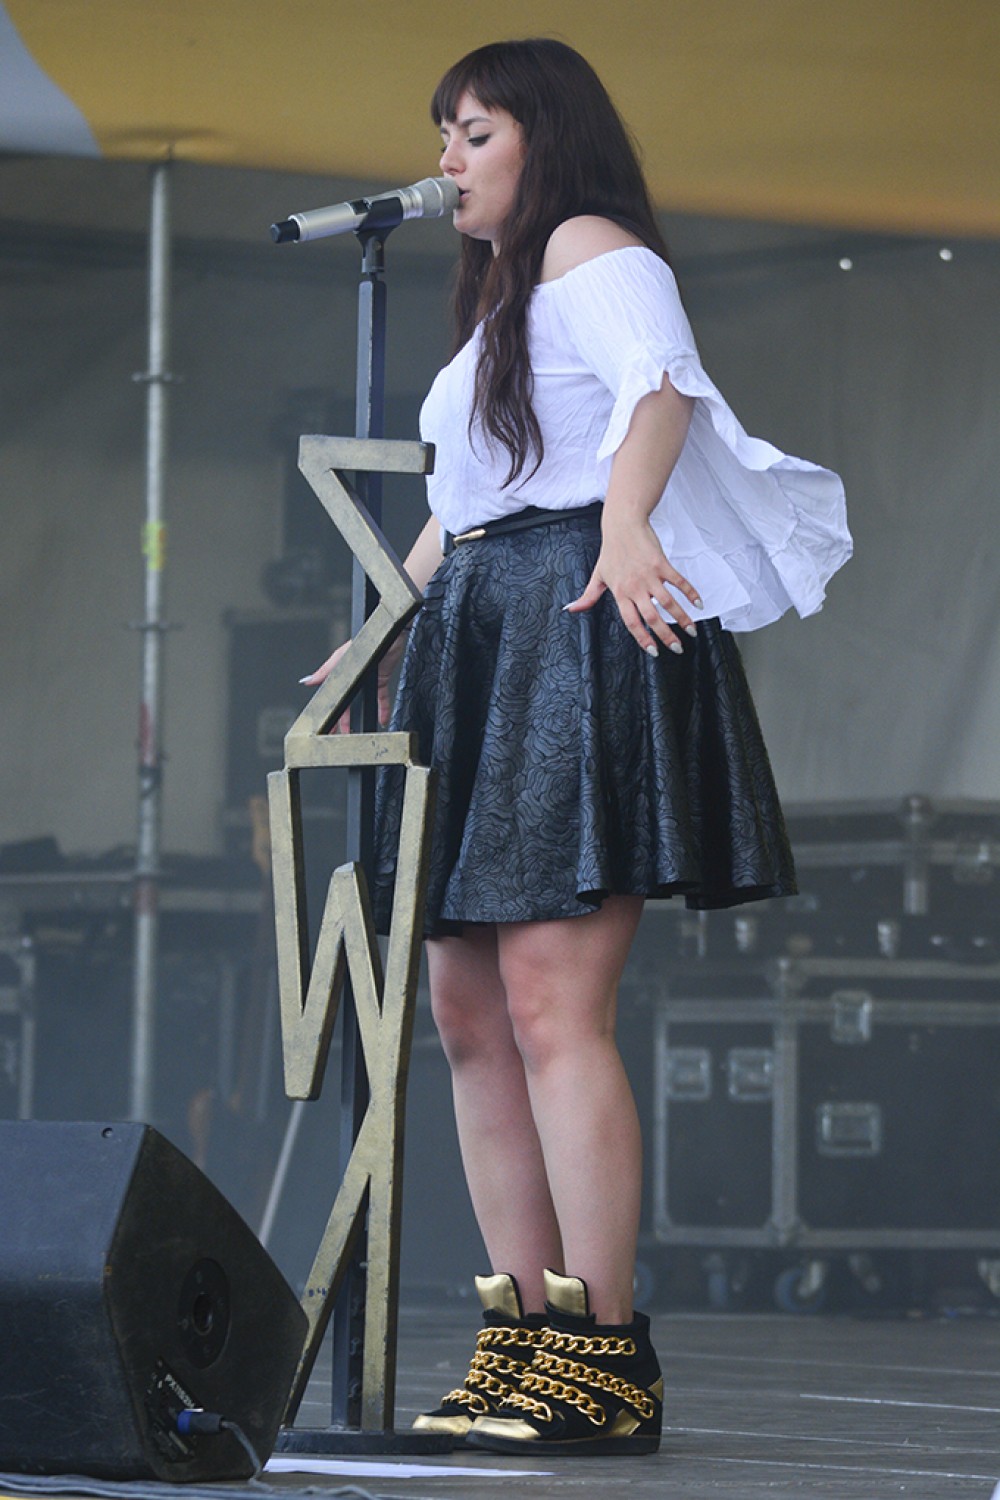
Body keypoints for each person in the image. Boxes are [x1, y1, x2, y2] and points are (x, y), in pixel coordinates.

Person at [304, 37, 850, 1457]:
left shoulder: (591, 248)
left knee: (550, 1001)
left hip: (568, 617)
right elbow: (465, 500)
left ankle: (604, 1353)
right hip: (482, 624)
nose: (447, 161)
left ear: (543, 137)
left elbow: (660, 388)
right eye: (443, 135)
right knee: (464, 1011)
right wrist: (382, 636)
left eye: (474, 133)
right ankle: (525, 1336)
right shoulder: (497, 302)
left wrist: (624, 523)